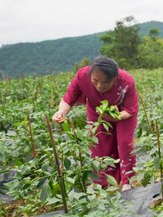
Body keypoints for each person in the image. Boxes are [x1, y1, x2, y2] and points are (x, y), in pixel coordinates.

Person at [52, 56, 139, 191]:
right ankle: (101, 182)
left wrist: (116, 116)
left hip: (122, 113)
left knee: (123, 143)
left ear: (114, 79)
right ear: (90, 75)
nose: (99, 86)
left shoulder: (126, 82)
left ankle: (128, 181)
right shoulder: (82, 76)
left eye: (105, 82)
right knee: (98, 143)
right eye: (95, 80)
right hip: (96, 110)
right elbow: (68, 99)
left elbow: (130, 110)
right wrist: (60, 112)